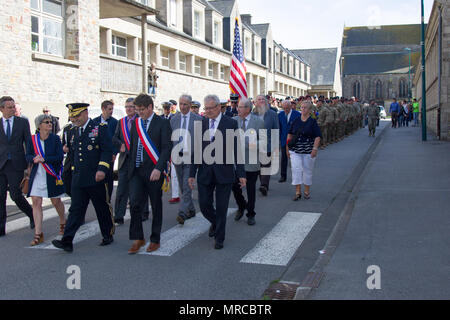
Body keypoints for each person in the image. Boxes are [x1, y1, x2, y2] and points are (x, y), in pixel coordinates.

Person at [52, 103, 115, 252]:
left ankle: (107, 234)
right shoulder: (72, 130)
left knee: (101, 207)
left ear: (86, 113)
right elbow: (73, 154)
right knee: (75, 210)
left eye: (77, 116)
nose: (74, 119)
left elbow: (107, 150)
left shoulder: (99, 128)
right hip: (79, 178)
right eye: (72, 116)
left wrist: (102, 169)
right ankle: (67, 241)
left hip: (96, 177)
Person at [188, 95, 246, 250]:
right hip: (205, 172)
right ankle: (215, 222)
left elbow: (237, 150)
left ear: (219, 107)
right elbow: (196, 150)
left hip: (224, 173)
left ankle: (219, 238)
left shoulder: (231, 124)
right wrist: (192, 173)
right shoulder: (201, 123)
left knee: (222, 207)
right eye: (205, 108)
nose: (207, 111)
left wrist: (241, 174)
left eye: (210, 108)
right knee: (204, 205)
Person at [127, 94, 172, 254]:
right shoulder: (137, 123)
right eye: (137, 110)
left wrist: (159, 168)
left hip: (154, 171)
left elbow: (167, 148)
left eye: (141, 110)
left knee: (156, 204)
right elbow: (133, 146)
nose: (139, 113)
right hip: (137, 171)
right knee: (135, 204)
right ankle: (138, 238)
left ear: (150, 107)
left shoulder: (163, 123)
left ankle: (155, 239)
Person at [26, 114, 66, 246]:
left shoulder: (55, 139)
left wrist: (44, 159)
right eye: (47, 122)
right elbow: (27, 155)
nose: (50, 124)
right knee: (36, 202)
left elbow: (59, 157)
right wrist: (33, 159)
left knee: (56, 201)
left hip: (51, 174)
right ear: (39, 125)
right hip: (37, 174)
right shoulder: (32, 139)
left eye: (51, 122)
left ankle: (62, 222)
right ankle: (38, 234)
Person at [0, 96, 35, 236]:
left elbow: (28, 142)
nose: (13, 109)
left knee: (16, 195)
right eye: (9, 107)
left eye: (13, 106)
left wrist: (29, 162)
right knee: (0, 197)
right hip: (1, 164)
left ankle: (32, 214)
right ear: (2, 109)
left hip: (16, 164)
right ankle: (1, 228)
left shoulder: (22, 122)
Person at [112, 98, 150, 225]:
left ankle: (143, 212)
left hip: (138, 160)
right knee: (122, 189)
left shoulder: (141, 121)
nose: (129, 109)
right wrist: (120, 145)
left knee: (140, 188)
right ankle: (119, 215)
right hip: (125, 160)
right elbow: (115, 137)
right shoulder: (121, 122)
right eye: (126, 106)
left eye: (131, 106)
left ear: (136, 108)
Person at [171, 94, 203, 225]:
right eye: (180, 104)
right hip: (177, 157)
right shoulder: (173, 119)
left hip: (191, 157)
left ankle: (182, 213)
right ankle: (191, 209)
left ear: (190, 105)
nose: (182, 107)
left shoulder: (198, 120)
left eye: (185, 104)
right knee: (182, 186)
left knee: (186, 184)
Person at [232, 98, 265, 226]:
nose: (237, 109)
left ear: (247, 109)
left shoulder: (259, 122)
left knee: (251, 190)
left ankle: (251, 213)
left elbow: (263, 141)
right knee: (234, 187)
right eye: (238, 107)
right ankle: (241, 206)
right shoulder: (234, 121)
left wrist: (253, 144)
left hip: (251, 162)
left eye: (240, 107)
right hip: (236, 162)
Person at [287, 101, 321, 201]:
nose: (303, 109)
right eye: (301, 107)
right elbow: (289, 134)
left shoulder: (312, 122)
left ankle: (306, 191)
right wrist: (287, 148)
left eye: (305, 108)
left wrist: (315, 149)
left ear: (310, 110)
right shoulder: (296, 121)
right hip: (295, 150)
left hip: (308, 151)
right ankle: (297, 192)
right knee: (296, 169)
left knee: (307, 170)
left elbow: (318, 136)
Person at [253, 95, 279, 196]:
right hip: (254, 145)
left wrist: (276, 147)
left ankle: (264, 185)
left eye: (263, 99)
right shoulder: (252, 114)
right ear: (255, 103)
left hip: (267, 144)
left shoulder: (272, 114)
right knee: (258, 166)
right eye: (259, 99)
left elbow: (276, 130)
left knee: (265, 165)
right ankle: (262, 183)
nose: (261, 101)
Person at [93, 100, 118, 200]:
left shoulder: (114, 122)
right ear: (103, 109)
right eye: (109, 109)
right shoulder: (95, 122)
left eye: (112, 109)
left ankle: (108, 197)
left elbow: (117, 139)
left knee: (108, 177)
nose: (111, 111)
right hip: (98, 155)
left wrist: (115, 153)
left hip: (110, 155)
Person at [278, 99, 300, 183]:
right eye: (284, 108)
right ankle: (283, 176)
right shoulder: (280, 115)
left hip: (294, 140)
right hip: (284, 140)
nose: (286, 110)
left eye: (287, 108)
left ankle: (296, 176)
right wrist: (279, 139)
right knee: (284, 158)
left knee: (295, 159)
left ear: (291, 106)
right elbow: (279, 128)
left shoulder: (297, 114)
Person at [61, 120, 73, 196]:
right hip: (69, 160)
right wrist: (63, 148)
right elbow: (64, 143)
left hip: (78, 160)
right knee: (66, 182)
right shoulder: (67, 128)